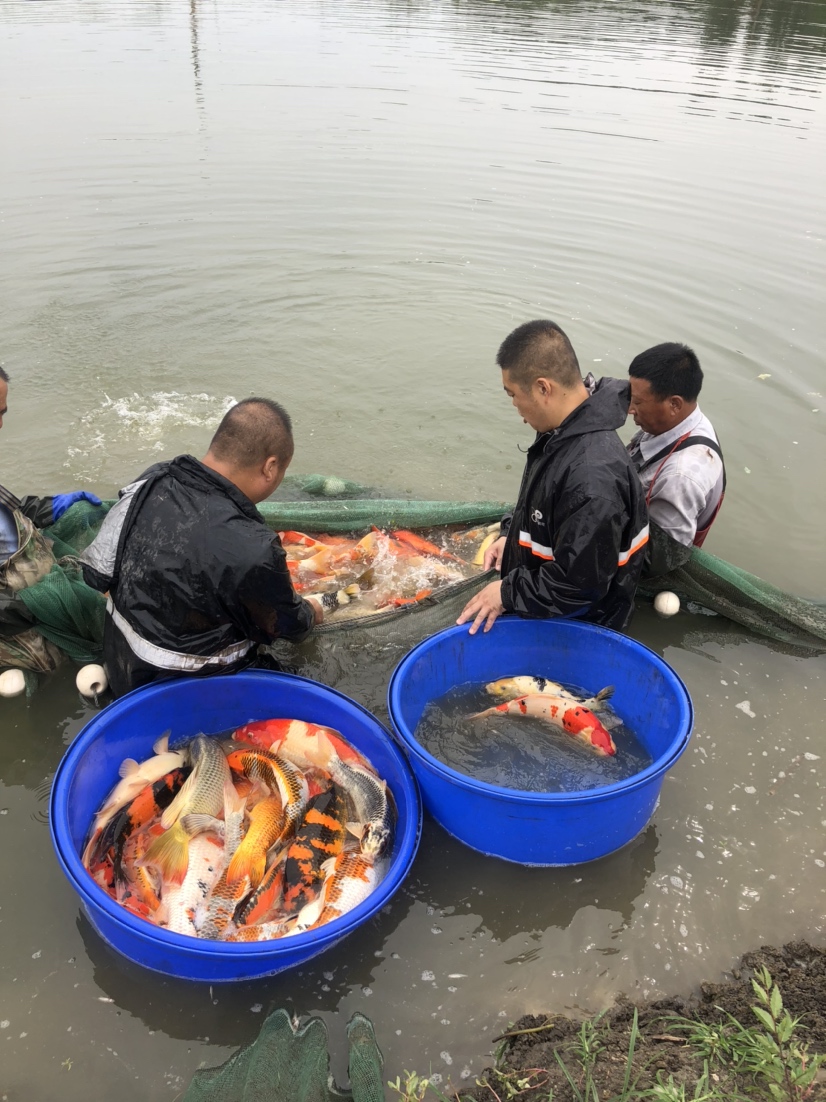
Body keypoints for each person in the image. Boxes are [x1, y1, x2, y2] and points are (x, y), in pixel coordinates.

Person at [81, 397, 340, 697]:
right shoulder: (253, 546)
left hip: (121, 665)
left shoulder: (152, 480)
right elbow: (286, 627)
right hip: (186, 689)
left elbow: (97, 574)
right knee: (316, 678)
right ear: (270, 467)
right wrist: (312, 609)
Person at [457, 320, 649, 635]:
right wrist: (511, 537)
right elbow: (543, 507)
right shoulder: (562, 430)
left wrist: (507, 593)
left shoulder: (593, 477)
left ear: (543, 388)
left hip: (579, 625)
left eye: (513, 394)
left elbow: (579, 586)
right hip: (539, 597)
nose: (515, 405)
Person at [0, 366, 102, 671]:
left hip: (31, 590)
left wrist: (51, 507)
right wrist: (33, 605)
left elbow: (11, 512)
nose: (0, 425)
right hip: (14, 618)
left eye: (3, 412)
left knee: (84, 514)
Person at [627, 342, 725, 578]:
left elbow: (656, 559)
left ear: (674, 404)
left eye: (638, 403)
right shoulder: (681, 421)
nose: (630, 409)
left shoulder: (680, 477)